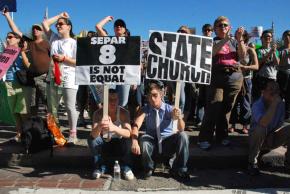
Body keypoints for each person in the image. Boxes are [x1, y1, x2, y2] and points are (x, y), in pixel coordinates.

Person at [198, 16, 247, 150]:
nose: (223, 27)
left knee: (226, 109)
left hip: (234, 77)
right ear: (215, 29)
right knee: (213, 106)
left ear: (229, 27)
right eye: (220, 25)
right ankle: (204, 137)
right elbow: (211, 53)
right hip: (216, 76)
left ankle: (222, 136)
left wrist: (240, 39)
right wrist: (225, 39)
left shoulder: (236, 42)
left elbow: (243, 58)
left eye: (226, 25)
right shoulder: (211, 41)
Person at [131, 80, 190, 180]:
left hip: (167, 143)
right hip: (153, 144)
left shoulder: (169, 108)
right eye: (149, 96)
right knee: (144, 140)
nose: (152, 99)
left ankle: (180, 169)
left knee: (183, 136)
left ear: (161, 94)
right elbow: (136, 125)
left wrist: (179, 117)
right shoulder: (145, 109)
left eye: (155, 95)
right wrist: (134, 141)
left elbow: (181, 128)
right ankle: (148, 168)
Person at [3, 9, 51, 116]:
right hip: (31, 79)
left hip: (45, 78)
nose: (35, 30)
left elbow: (54, 59)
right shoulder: (29, 42)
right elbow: (14, 29)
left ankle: (52, 130)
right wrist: (7, 15)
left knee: (49, 105)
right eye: (34, 29)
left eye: (38, 29)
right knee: (32, 106)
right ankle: (33, 129)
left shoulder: (48, 43)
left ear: (42, 31)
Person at [42, 12, 79, 144]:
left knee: (69, 106)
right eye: (57, 24)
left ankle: (73, 133)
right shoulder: (54, 39)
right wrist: (58, 16)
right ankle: (55, 133)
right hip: (53, 76)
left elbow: (78, 61)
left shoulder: (74, 43)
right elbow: (45, 24)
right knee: (52, 107)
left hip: (69, 75)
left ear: (69, 27)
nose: (58, 26)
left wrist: (64, 58)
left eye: (61, 24)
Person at [87, 89, 134, 180]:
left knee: (129, 139)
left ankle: (126, 167)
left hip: (119, 141)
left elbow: (129, 132)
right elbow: (93, 135)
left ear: (118, 100)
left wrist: (114, 128)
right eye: (110, 100)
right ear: (105, 101)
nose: (113, 102)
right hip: (104, 141)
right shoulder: (98, 113)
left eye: (115, 99)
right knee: (91, 139)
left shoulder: (124, 112)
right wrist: (100, 125)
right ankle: (99, 167)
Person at [248, 81, 290, 175]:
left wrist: (272, 133)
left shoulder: (281, 105)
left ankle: (288, 163)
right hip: (256, 138)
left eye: (276, 90)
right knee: (261, 129)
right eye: (271, 89)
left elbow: (280, 123)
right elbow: (263, 123)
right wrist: (274, 104)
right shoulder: (257, 105)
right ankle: (252, 162)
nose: (274, 93)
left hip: (271, 137)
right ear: (263, 92)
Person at [0, 32, 30, 142]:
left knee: (22, 111)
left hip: (21, 83)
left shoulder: (24, 51)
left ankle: (27, 133)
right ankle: (19, 133)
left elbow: (28, 66)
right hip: (9, 82)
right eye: (7, 37)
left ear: (18, 39)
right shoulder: (5, 52)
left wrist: (22, 52)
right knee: (14, 111)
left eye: (10, 37)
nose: (8, 39)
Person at [96, 16, 131, 107]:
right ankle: (109, 119)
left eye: (121, 25)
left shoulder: (131, 42)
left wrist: (134, 80)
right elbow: (98, 27)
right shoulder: (109, 40)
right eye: (116, 25)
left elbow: (136, 63)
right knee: (109, 100)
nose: (119, 27)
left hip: (125, 76)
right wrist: (107, 19)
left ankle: (118, 120)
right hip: (112, 74)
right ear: (114, 29)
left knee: (123, 102)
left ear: (125, 29)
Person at [229, 30, 259, 134]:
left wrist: (244, 67)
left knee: (246, 102)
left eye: (243, 35)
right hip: (234, 78)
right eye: (239, 35)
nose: (241, 36)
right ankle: (232, 124)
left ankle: (245, 125)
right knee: (233, 102)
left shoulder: (250, 50)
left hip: (246, 79)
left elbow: (256, 66)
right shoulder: (233, 48)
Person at [252, 30, 280, 101]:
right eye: (266, 36)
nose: (268, 38)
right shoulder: (258, 50)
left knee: (271, 100)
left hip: (273, 78)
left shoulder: (275, 51)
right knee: (260, 100)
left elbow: (277, 63)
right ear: (261, 38)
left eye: (270, 37)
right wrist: (269, 53)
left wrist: (273, 52)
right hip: (262, 78)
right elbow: (259, 62)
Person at [277, 30, 290, 122]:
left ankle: (288, 117)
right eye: (285, 35)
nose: (287, 37)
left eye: (289, 35)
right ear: (282, 38)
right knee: (280, 96)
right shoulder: (279, 49)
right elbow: (276, 63)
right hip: (282, 74)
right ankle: (279, 118)